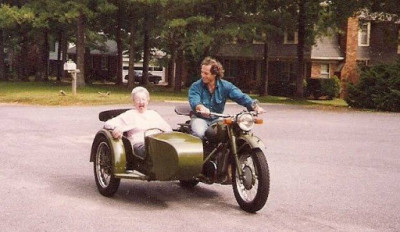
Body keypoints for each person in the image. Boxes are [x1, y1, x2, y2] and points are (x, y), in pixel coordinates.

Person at [188, 57, 265, 139]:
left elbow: (240, 96)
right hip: (200, 119)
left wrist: (254, 106)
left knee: (232, 133)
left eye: (206, 73)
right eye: (202, 72)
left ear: (214, 74)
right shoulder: (196, 86)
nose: (202, 75)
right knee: (200, 133)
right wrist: (201, 107)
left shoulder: (225, 86)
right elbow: (194, 100)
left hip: (217, 119)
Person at [104, 87, 172, 161]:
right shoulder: (130, 114)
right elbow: (108, 123)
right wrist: (117, 128)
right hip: (140, 144)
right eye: (137, 100)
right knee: (154, 150)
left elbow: (168, 129)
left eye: (143, 99)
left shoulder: (154, 114)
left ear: (147, 101)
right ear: (133, 102)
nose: (141, 102)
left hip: (157, 143)